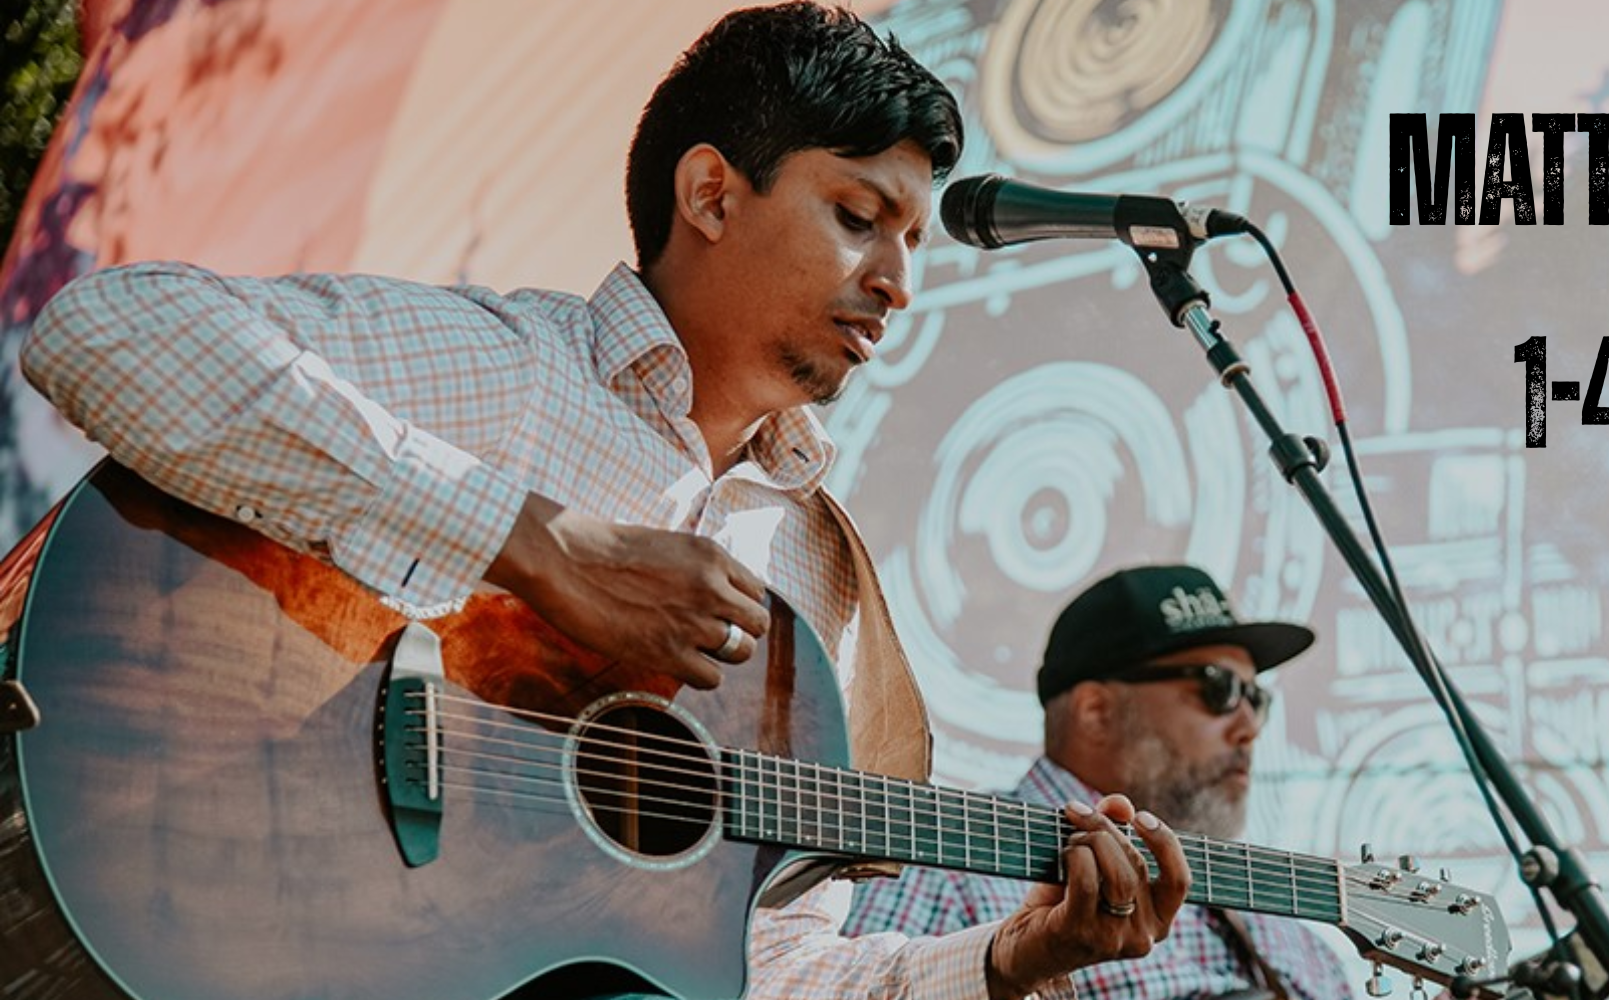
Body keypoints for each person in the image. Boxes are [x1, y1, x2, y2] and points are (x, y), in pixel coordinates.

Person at [20, 4, 1188, 999]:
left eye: (912, 238)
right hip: (190, 869)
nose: (896, 279)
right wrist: (532, 542)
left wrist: (1008, 956)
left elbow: (753, 964)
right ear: (712, 195)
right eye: (854, 217)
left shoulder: (817, 581)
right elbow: (107, 332)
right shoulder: (508, 372)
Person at [846, 564, 1356, 1000]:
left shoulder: (1288, 931)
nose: (1248, 726)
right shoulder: (942, 862)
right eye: (1218, 688)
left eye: (1256, 698)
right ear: (1096, 711)